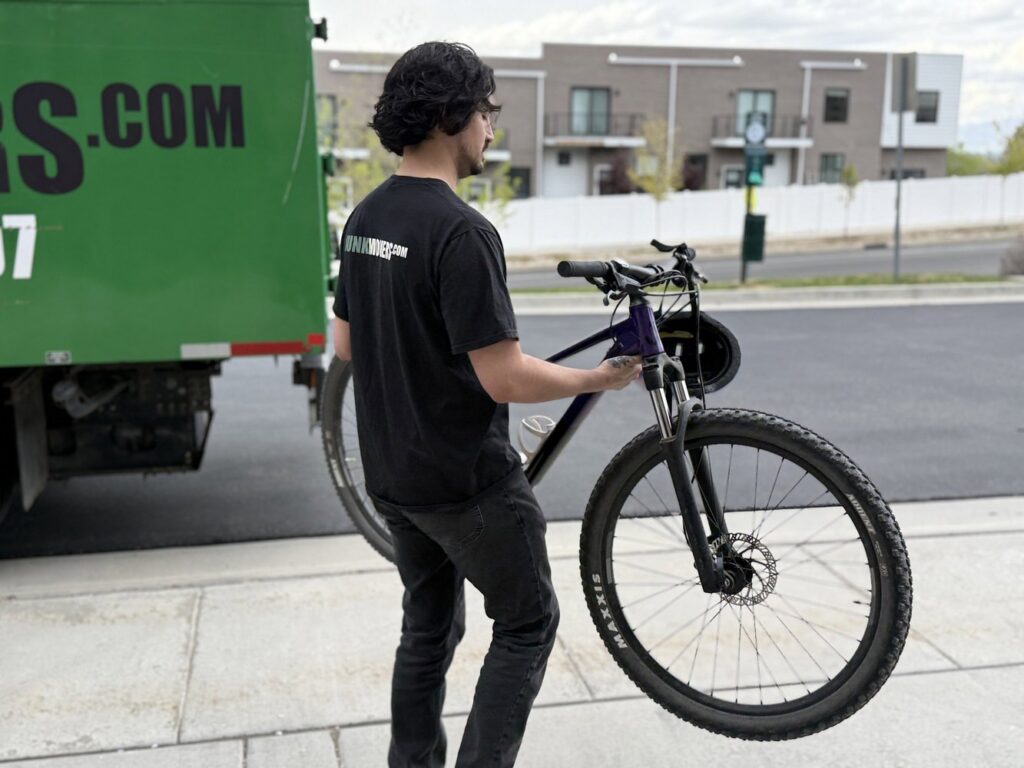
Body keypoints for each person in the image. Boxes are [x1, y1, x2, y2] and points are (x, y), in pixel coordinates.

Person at [331, 41, 641, 768]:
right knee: (528, 623)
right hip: (464, 483)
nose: (491, 130)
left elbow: (345, 346)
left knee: (428, 626)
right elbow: (504, 379)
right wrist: (596, 380)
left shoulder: (366, 218)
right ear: (451, 118)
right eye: (485, 112)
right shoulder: (462, 232)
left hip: (393, 478)